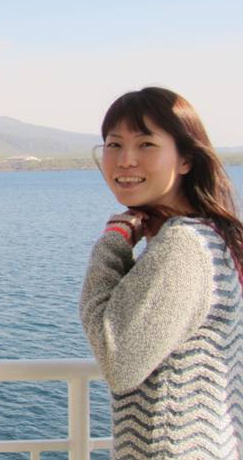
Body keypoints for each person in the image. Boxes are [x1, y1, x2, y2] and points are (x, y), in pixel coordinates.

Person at [80, 86, 243, 458]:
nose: (125, 160)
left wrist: (113, 242)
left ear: (186, 158)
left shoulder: (183, 245)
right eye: (114, 144)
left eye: (146, 145)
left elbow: (120, 360)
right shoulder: (214, 236)